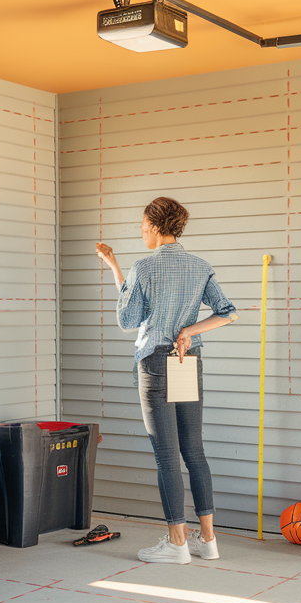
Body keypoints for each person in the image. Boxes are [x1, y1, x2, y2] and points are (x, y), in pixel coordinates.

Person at [96, 196, 238, 564]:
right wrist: (190, 328)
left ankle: (177, 544)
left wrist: (120, 270)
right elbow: (228, 313)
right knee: (194, 452)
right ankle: (207, 542)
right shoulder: (200, 266)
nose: (142, 233)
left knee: (166, 458)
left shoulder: (144, 267)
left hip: (156, 362)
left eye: (143, 227)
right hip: (188, 359)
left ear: (156, 227)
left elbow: (129, 318)